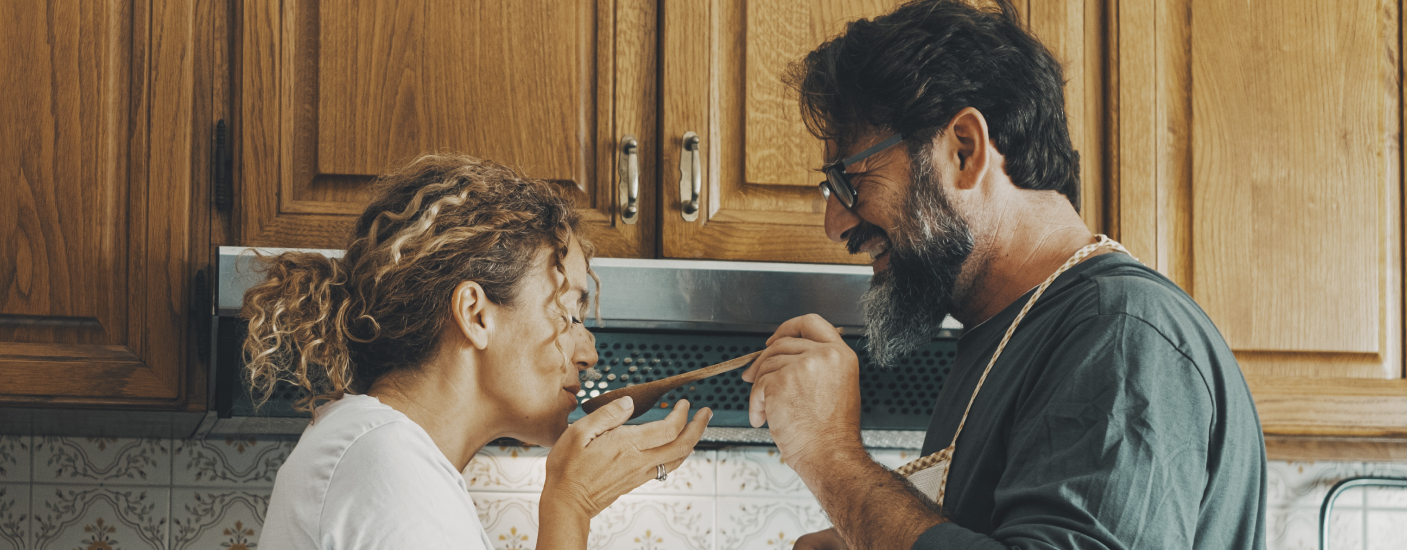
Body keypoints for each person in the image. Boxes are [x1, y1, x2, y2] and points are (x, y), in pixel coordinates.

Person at [740, 1, 1267, 549]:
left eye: (849, 179)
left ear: (963, 150)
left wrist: (832, 458)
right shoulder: (1004, 333)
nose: (834, 223)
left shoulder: (1121, 332)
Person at [244, 154, 713, 550]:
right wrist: (570, 506)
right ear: (476, 314)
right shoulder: (387, 466)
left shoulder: (384, 452)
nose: (587, 351)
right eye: (568, 313)